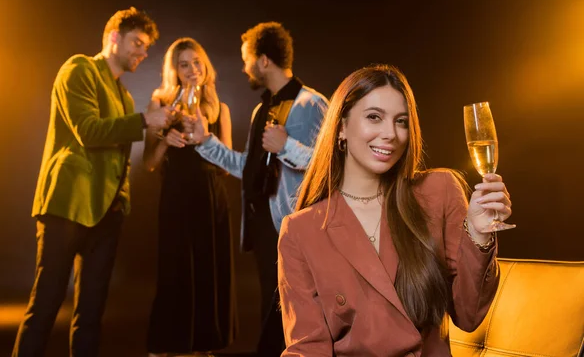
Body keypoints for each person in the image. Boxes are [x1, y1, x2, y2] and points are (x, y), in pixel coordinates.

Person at [277, 64, 510, 356]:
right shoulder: (301, 230)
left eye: (401, 121)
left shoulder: (438, 191)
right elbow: (307, 348)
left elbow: (469, 313)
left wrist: (478, 233)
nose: (391, 134)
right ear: (342, 128)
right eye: (374, 117)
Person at [13, 7, 173, 357]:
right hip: (67, 206)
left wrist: (123, 202)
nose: (142, 53)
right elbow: (87, 131)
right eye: (137, 43)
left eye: (146, 48)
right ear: (113, 37)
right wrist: (145, 120)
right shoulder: (79, 68)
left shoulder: (125, 95)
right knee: (45, 308)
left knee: (90, 316)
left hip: (107, 215)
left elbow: (118, 160)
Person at [185, 22, 328, 355]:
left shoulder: (312, 103)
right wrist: (205, 140)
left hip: (297, 230)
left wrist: (287, 146)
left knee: (293, 313)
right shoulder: (260, 109)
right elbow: (246, 167)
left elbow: (330, 163)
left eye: (246, 58)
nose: (243, 66)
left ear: (264, 61)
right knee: (274, 308)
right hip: (264, 229)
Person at [142, 37, 237, 357]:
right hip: (176, 197)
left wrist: (206, 140)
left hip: (210, 197)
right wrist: (166, 141)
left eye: (197, 62)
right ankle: (166, 344)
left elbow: (227, 168)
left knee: (209, 270)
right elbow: (149, 164)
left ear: (205, 65)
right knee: (176, 270)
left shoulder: (218, 108)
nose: (192, 69)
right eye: (184, 64)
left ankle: (203, 345)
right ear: (175, 70)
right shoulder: (159, 104)